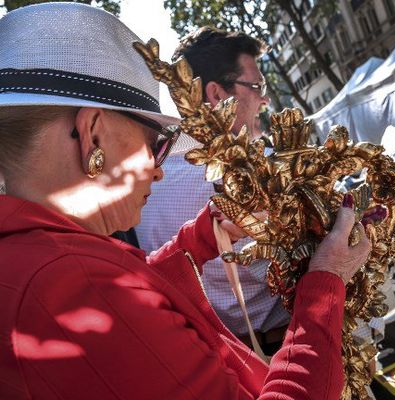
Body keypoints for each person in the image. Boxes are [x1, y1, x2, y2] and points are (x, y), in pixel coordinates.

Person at [0, 4, 371, 399]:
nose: (158, 170)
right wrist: (326, 281)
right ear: (92, 135)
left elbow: (141, 285)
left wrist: (202, 238)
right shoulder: (77, 285)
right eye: (155, 145)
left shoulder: (36, 254)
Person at [136, 27, 288, 353]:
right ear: (218, 95)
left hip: (217, 362)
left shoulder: (147, 176)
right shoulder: (259, 169)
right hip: (286, 346)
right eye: (256, 86)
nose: (264, 99)